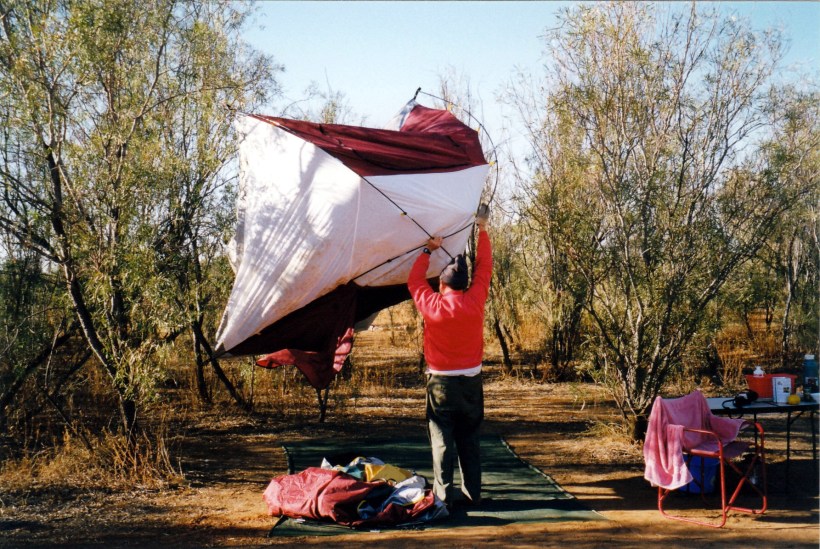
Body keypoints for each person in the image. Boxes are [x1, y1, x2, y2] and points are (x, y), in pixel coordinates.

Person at [407, 205, 492, 509]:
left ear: (442, 284)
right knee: (469, 438)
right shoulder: (476, 299)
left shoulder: (433, 305)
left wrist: (428, 251)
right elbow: (485, 266)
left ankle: (443, 497)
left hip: (440, 385)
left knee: (442, 440)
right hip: (471, 383)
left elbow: (414, 281)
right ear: (464, 284)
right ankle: (473, 494)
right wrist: (482, 228)